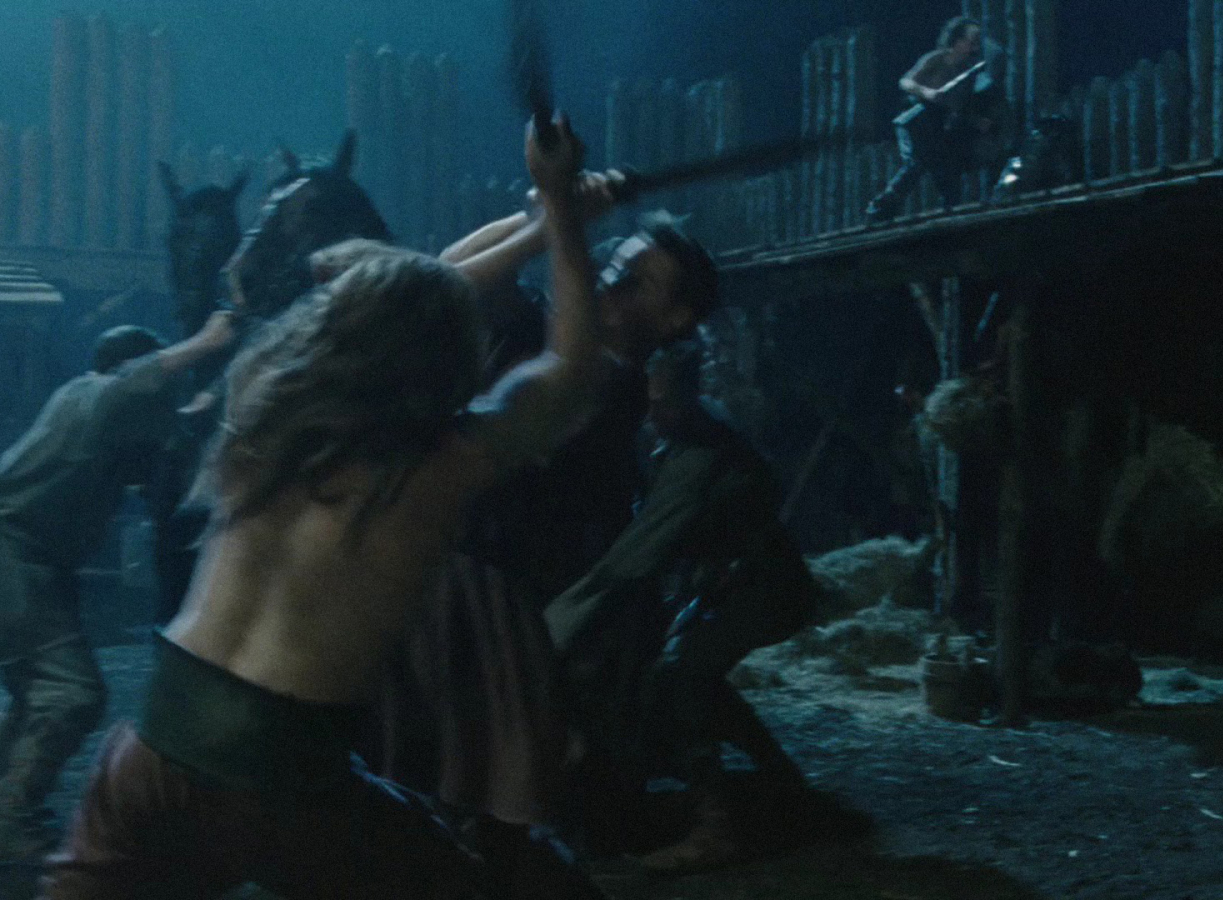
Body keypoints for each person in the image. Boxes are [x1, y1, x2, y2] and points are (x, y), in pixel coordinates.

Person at [39, 114, 606, 899]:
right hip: (282, 783)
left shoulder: (260, 406)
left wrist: (543, 215)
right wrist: (562, 217)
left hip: (150, 751)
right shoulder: (433, 470)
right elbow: (570, 368)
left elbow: (410, 294)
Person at [377, 206, 724, 872]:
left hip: (497, 591)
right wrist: (545, 212)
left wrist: (557, 217)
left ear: (674, 319)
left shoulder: (604, 382)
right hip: (451, 569)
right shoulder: (553, 340)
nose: (610, 282)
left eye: (636, 282)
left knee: (476, 786)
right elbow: (448, 276)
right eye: (613, 266)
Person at [545, 341, 819, 872]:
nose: (656, 415)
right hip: (728, 583)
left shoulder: (701, 455)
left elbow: (636, 556)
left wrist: (557, 623)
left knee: (679, 677)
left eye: (666, 402)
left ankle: (717, 828)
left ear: (690, 394)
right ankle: (785, 783)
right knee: (696, 674)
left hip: (763, 587)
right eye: (650, 404)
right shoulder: (680, 438)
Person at [0, 312, 237, 862]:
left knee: (40, 693)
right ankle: (9, 820)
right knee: (70, 693)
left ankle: (9, 808)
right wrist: (207, 341)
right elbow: (135, 383)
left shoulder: (107, 415)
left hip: (32, 563)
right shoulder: (94, 395)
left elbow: (171, 420)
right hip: (13, 553)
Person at [865, 16, 1003, 224]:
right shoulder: (937, 59)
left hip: (936, 126)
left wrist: (976, 121)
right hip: (916, 121)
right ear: (957, 40)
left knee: (946, 171)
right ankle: (878, 211)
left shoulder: (968, 71)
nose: (975, 45)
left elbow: (958, 107)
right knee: (916, 164)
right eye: (971, 40)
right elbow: (906, 82)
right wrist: (928, 93)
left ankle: (950, 215)